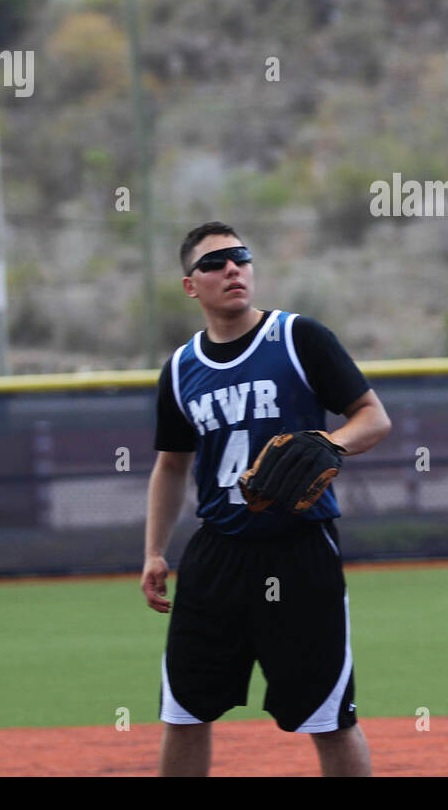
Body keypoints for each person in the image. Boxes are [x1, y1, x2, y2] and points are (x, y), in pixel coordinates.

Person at [142, 220, 391, 775]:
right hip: (217, 553)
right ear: (191, 285)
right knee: (184, 710)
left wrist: (330, 443)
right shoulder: (182, 369)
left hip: (300, 549)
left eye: (240, 256)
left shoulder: (299, 338)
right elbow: (171, 464)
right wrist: (154, 552)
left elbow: (373, 418)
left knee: (328, 716)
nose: (232, 268)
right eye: (213, 262)